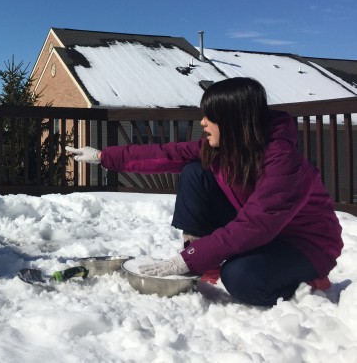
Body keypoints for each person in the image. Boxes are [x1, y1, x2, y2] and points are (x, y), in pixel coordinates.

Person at [67, 77, 343, 306]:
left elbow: (257, 224)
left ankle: (304, 286)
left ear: (235, 121)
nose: (203, 123)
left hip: (306, 245)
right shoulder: (223, 148)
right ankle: (205, 264)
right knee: (194, 171)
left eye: (210, 117)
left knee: (240, 278)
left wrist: (183, 260)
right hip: (264, 233)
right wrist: (104, 156)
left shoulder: (283, 161)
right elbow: (164, 154)